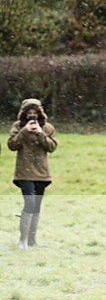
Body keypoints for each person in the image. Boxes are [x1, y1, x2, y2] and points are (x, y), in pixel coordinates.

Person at [7, 98, 57, 249]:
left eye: (35, 112)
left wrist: (41, 133)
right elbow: (12, 145)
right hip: (24, 172)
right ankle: (22, 240)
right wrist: (24, 131)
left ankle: (32, 240)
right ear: (24, 113)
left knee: (36, 206)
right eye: (29, 113)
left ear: (40, 113)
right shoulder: (17, 126)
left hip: (42, 172)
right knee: (29, 202)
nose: (32, 116)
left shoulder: (47, 127)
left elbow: (52, 147)